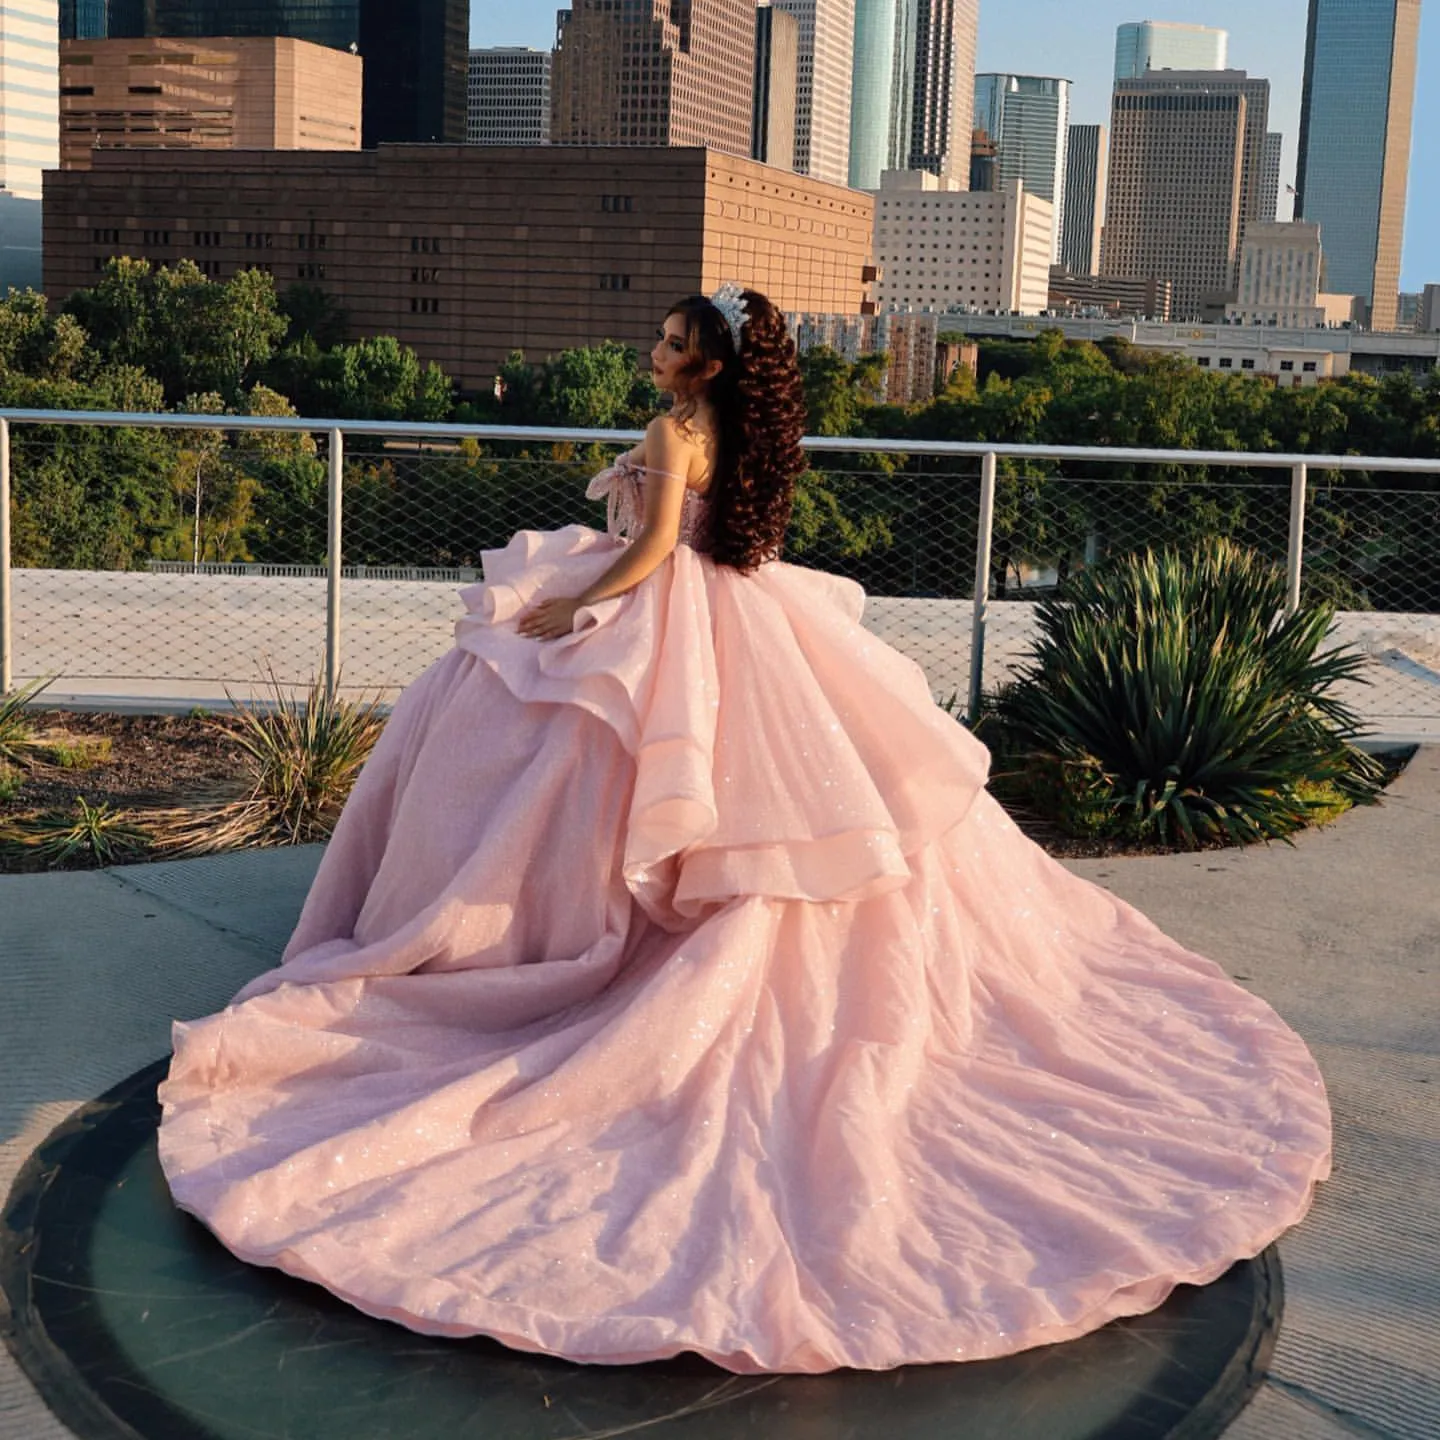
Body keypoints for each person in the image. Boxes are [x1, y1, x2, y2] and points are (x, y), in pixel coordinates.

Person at [158, 286, 1331, 1375]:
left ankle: (540, 937)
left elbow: (657, 547)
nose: (653, 352)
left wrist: (573, 602)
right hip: (735, 610)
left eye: (672, 342)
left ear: (708, 363)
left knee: (564, 740)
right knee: (758, 788)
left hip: (661, 605)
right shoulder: (725, 432)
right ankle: (600, 926)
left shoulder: (676, 435)